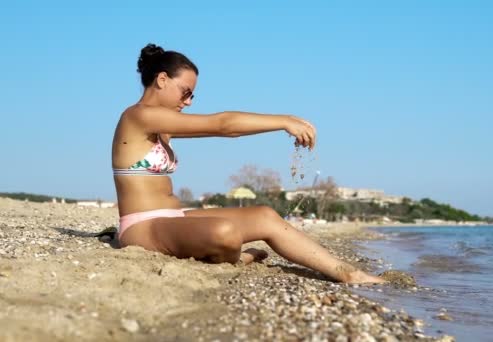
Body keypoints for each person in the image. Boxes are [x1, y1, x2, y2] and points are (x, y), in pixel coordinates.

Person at [111, 43, 384, 284]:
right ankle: (239, 259)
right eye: (185, 92)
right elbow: (223, 125)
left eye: (192, 95)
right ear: (161, 80)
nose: (189, 102)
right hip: (143, 228)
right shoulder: (139, 117)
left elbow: (222, 128)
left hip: (173, 220)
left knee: (264, 215)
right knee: (226, 233)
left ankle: (346, 273)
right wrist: (284, 121)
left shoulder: (164, 123)